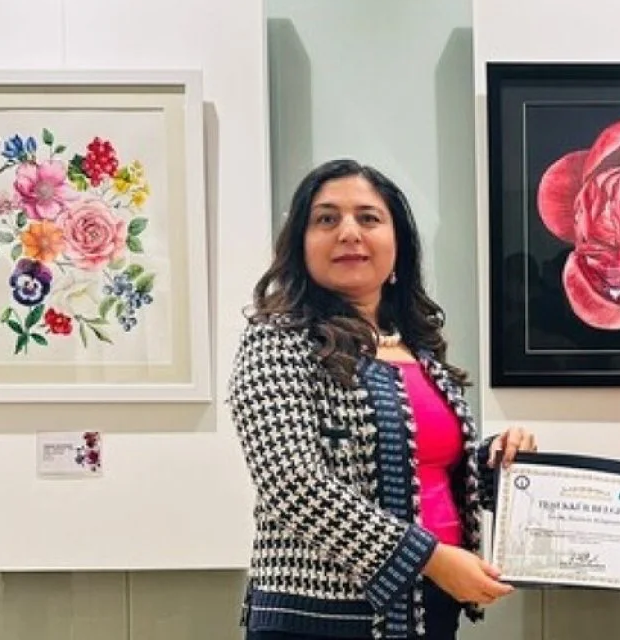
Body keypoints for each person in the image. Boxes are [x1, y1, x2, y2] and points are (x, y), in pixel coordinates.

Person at [227, 158, 537, 640]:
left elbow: (420, 468)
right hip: (324, 616)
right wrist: (430, 558)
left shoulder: (417, 346)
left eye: (368, 218)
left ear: (399, 244)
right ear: (301, 244)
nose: (349, 232)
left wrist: (493, 459)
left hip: (429, 606)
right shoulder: (277, 339)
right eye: (326, 219)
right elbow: (293, 483)